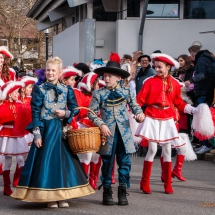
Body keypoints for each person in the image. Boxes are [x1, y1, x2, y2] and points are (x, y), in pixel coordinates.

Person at [11, 57, 94, 208]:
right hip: (46, 129)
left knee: (63, 162)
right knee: (47, 162)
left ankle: (62, 196)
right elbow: (35, 112)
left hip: (61, 129)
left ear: (60, 72)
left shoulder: (67, 89)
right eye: (48, 70)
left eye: (53, 70)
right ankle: (49, 197)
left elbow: (75, 109)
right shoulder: (39, 89)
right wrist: (36, 134)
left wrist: (66, 113)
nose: (50, 73)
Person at [88, 53, 144, 205]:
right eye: (105, 76)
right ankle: (107, 190)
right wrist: (101, 124)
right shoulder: (98, 93)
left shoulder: (126, 92)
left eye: (110, 76)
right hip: (107, 134)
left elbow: (135, 106)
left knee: (125, 163)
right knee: (107, 162)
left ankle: (123, 190)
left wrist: (139, 114)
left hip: (124, 133)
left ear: (119, 77)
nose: (106, 79)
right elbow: (91, 113)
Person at [135, 53, 196, 194]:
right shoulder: (149, 82)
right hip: (152, 117)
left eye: (160, 67)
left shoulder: (174, 83)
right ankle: (144, 183)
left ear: (168, 67)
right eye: (155, 67)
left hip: (167, 118)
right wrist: (137, 112)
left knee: (168, 151)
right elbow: (139, 100)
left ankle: (168, 184)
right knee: (153, 150)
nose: (157, 69)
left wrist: (192, 109)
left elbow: (178, 103)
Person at [0, 81, 29, 196]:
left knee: (21, 159)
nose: (17, 94)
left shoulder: (20, 104)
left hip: (17, 134)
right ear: (9, 93)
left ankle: (19, 183)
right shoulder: (3, 105)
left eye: (18, 91)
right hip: (7, 134)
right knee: (7, 161)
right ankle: (7, 187)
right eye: (15, 92)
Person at [185, 48, 215, 154]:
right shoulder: (208, 59)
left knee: (202, 119)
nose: (190, 57)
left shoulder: (202, 60)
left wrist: (190, 81)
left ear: (194, 53)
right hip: (206, 92)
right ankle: (205, 143)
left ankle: (206, 144)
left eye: (191, 54)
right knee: (204, 119)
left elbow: (202, 75)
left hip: (203, 93)